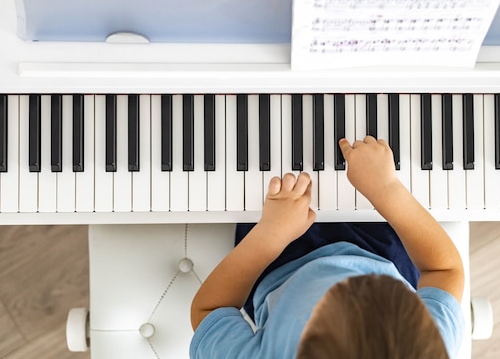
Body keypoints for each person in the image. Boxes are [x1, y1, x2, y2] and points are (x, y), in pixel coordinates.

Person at [190, 136, 465, 359]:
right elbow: (443, 270)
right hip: (385, 255)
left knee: (263, 150)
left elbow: (209, 310)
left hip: (280, 265)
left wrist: (270, 235)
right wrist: (387, 189)